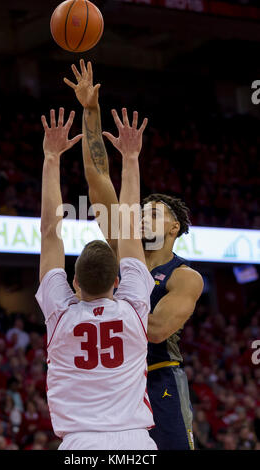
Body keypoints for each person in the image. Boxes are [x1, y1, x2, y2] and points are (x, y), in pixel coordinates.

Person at [64, 59, 204, 450]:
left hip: (158, 377)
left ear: (175, 228)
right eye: (141, 211)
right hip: (113, 382)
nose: (143, 216)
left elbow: (157, 330)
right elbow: (97, 177)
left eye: (155, 213)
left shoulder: (185, 277)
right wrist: (90, 112)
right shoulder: (124, 249)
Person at [35, 106, 157, 450]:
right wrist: (132, 158)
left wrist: (51, 158)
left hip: (82, 444)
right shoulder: (134, 309)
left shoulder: (60, 315)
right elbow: (130, 228)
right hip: (138, 444)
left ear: (73, 283)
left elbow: (49, 231)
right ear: (117, 282)